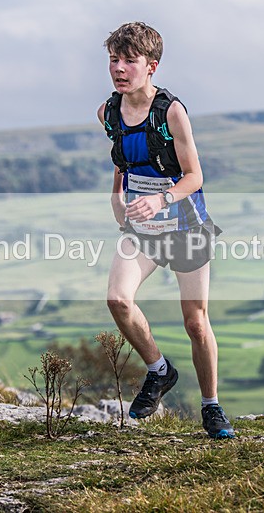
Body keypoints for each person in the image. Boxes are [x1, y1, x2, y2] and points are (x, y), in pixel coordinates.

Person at [97, 22, 234, 439]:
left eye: (129, 61)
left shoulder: (171, 112)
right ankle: (159, 370)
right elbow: (122, 158)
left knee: (195, 322)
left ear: (151, 66)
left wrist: (161, 199)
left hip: (185, 224)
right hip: (143, 228)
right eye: (114, 60)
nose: (119, 69)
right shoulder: (107, 112)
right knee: (118, 300)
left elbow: (195, 176)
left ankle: (211, 407)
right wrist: (117, 196)